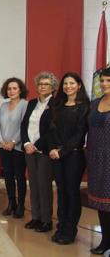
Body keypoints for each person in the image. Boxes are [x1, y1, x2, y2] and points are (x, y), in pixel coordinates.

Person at [49, 72, 89, 245]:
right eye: (65, 84)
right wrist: (52, 148)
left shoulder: (84, 107)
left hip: (73, 156)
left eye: (72, 83)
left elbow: (79, 135)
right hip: (56, 155)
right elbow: (51, 130)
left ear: (79, 85)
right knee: (61, 191)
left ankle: (70, 230)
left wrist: (62, 151)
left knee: (72, 192)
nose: (68, 86)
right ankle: (61, 226)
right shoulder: (58, 105)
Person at [21, 71, 57, 233]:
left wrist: (36, 145)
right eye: (40, 84)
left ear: (53, 87)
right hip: (29, 149)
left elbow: (53, 130)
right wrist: (27, 143)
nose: (42, 87)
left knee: (44, 185)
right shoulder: (31, 103)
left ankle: (46, 220)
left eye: (46, 84)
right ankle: (35, 217)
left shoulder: (56, 104)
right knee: (33, 185)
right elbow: (24, 125)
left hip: (44, 150)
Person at [0, 77, 29, 218]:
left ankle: (21, 205)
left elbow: (24, 126)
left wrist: (13, 141)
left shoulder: (24, 104)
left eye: (15, 88)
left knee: (19, 177)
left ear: (20, 90)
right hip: (4, 146)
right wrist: (1, 141)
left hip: (18, 147)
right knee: (8, 177)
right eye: (9, 88)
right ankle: (11, 203)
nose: (11, 91)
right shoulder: (3, 106)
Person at [87, 67, 110, 255]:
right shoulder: (94, 103)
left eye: (108, 81)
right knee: (101, 204)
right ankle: (105, 240)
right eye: (102, 81)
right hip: (96, 158)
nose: (104, 84)